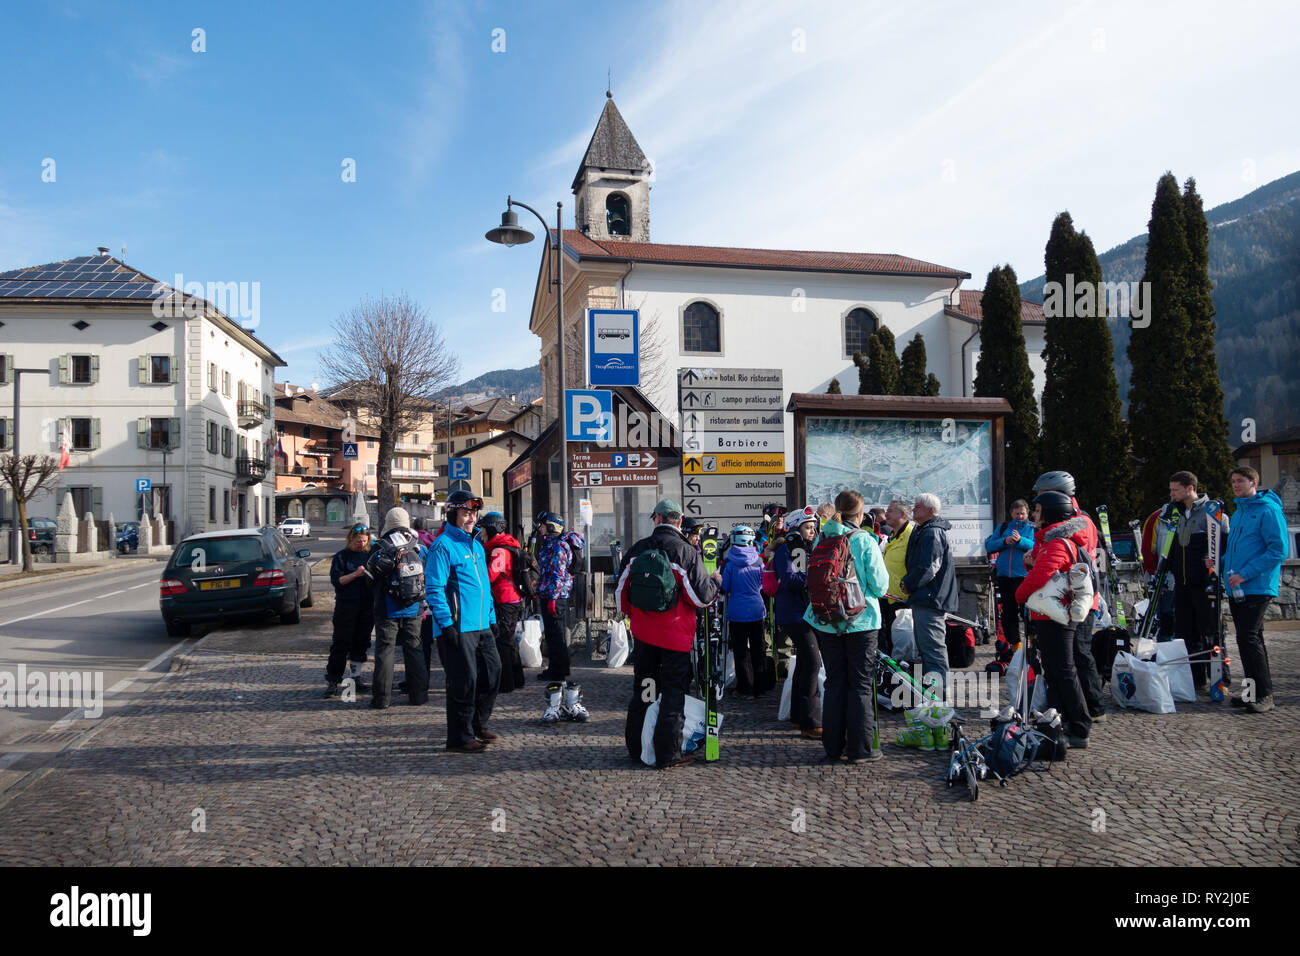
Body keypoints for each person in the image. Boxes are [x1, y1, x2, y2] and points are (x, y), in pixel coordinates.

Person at [617, 498, 719, 768]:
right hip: (675, 636)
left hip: (644, 634)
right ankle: (667, 753)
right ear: (680, 520)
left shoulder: (638, 549)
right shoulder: (685, 551)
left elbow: (620, 592)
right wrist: (715, 584)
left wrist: (632, 615)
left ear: (657, 519)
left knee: (645, 688)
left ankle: (637, 747)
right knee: (674, 693)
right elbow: (702, 598)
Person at [803, 490, 889, 763]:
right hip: (861, 622)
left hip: (826, 622)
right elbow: (880, 586)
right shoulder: (864, 540)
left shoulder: (822, 538)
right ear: (861, 514)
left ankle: (832, 746)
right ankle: (861, 749)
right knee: (861, 685)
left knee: (835, 682)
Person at [425, 490, 501, 753]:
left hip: (481, 625)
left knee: (492, 674)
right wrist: (446, 625)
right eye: (466, 513)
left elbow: (484, 587)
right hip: (457, 626)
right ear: (453, 514)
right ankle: (459, 737)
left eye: (474, 513)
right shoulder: (443, 545)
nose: (471, 518)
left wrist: (491, 618)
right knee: (464, 681)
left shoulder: (477, 545)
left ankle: (477, 723)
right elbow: (434, 588)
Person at [1016, 491, 1093, 748]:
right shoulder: (1055, 541)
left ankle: (1080, 726)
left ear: (1049, 513)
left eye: (1037, 510)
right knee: (1056, 671)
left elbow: (1041, 576)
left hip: (1055, 616)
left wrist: (1020, 594)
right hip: (1049, 613)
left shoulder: (1058, 543)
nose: (1034, 515)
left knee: (1063, 671)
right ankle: (1058, 722)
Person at [1030, 470, 1103, 718]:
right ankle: (1073, 708)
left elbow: (1069, 554)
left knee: (1078, 655)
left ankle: (1092, 706)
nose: (1039, 502)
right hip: (1061, 599)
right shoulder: (1060, 521)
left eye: (1043, 496)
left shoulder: (1078, 523)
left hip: (1076, 598)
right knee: (1067, 660)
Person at [1220, 466, 1287, 713]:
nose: (1236, 485)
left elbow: (1278, 550)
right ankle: (1252, 695)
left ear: (1254, 482)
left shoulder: (1268, 510)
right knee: (1247, 639)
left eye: (1240, 481)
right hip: (1238, 586)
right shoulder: (1239, 513)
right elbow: (1237, 550)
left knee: (1249, 638)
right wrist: (1220, 562)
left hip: (1257, 585)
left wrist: (1245, 574)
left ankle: (1264, 696)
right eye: (1233, 481)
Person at [1158, 471, 1229, 693]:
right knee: (1186, 633)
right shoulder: (1174, 513)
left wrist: (1214, 563)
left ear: (1190, 489)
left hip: (1204, 583)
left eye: (1175, 490)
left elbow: (1224, 548)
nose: (1171, 494)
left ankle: (1220, 678)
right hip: (1182, 583)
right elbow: (1169, 547)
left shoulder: (1213, 513)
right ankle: (1197, 680)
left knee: (1212, 631)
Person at [363, 507, 429, 709]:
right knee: (414, 649)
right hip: (414, 607)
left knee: (385, 651)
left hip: (387, 607)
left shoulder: (379, 547)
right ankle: (418, 696)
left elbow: (369, 581)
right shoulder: (418, 546)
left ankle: (382, 699)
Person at [774, 505, 822, 737]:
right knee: (812, 663)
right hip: (794, 615)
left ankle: (798, 715)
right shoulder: (788, 549)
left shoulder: (803, 548)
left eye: (814, 527)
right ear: (795, 528)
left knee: (805, 663)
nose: (812, 531)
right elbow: (789, 579)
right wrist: (814, 575)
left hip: (802, 613)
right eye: (808, 527)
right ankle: (811, 722)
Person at [900, 493, 957, 691]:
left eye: (918, 507)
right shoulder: (924, 530)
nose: (913, 510)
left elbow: (928, 567)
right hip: (926, 597)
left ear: (930, 511)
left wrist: (909, 583)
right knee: (928, 649)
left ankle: (938, 700)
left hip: (930, 598)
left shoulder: (932, 533)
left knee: (933, 649)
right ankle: (932, 695)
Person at [323, 523, 375, 698]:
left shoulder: (370, 556)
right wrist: (355, 574)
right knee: (341, 643)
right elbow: (337, 581)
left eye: (364, 541)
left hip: (366, 607)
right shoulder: (341, 557)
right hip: (346, 606)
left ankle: (355, 678)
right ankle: (333, 680)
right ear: (351, 539)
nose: (361, 544)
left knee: (361, 643)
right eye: (358, 541)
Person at [719, 524, 768, 699]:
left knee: (741, 651)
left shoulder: (729, 563)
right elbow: (763, 584)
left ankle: (744, 688)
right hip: (756, 608)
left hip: (737, 610)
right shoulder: (759, 561)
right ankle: (760, 687)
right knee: (758, 649)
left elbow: (724, 587)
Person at [481, 511, 527, 693]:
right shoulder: (506, 545)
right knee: (509, 641)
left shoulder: (499, 550)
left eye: (483, 528)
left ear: (492, 528)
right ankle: (517, 679)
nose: (481, 532)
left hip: (505, 600)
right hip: (512, 598)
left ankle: (506, 683)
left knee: (503, 642)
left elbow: (490, 576)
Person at [536, 513, 581, 680]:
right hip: (549, 593)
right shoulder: (549, 544)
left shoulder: (557, 546)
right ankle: (557, 668)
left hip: (555, 596)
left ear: (551, 526)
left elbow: (558, 574)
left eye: (542, 524)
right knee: (553, 634)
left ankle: (559, 672)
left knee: (556, 635)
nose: (539, 528)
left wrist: (553, 598)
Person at [985, 499, 1035, 648]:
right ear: (1011, 513)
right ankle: (1015, 645)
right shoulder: (1003, 527)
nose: (1020, 516)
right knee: (1008, 613)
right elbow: (989, 546)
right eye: (1017, 513)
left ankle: (1033, 642)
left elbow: (1037, 546)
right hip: (1005, 576)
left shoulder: (1033, 528)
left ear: (1027, 513)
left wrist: (1021, 541)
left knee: (1028, 611)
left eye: (1022, 513)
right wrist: (1004, 541)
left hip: (1024, 576)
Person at [880, 499, 914, 655]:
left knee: (903, 646)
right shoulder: (892, 536)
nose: (886, 514)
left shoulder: (912, 536)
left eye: (890, 511)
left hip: (903, 601)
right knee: (890, 643)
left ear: (902, 514)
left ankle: (903, 677)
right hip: (888, 598)